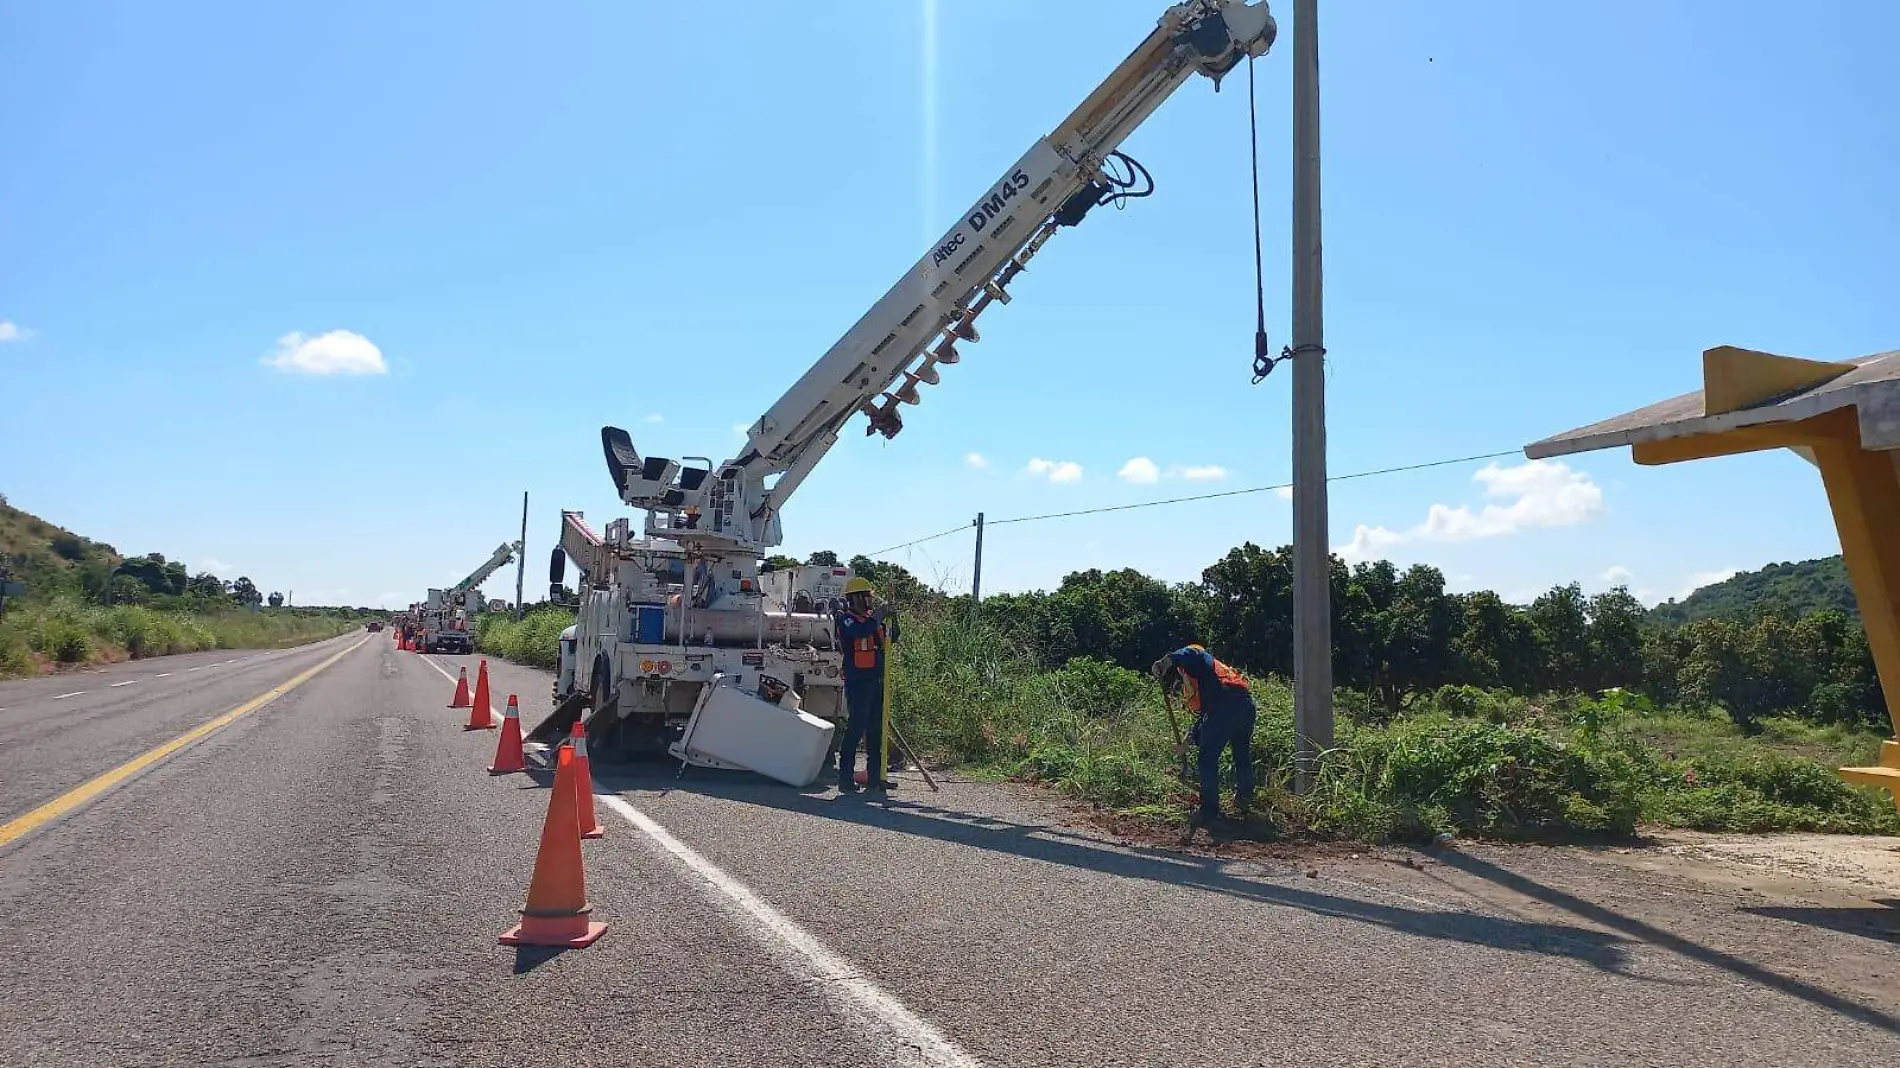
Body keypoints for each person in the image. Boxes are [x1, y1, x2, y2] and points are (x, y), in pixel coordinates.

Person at [1151, 643, 1255, 826]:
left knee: (1207, 758)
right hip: (1245, 706)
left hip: (1226, 708)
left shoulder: (1198, 660)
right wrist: (1186, 743)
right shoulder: (1212, 680)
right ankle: (1245, 799)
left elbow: (1190, 653)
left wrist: (1166, 662)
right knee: (1241, 755)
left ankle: (1209, 811)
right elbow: (1205, 720)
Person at [833, 576, 898, 794]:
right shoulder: (847, 620)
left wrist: (893, 618)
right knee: (855, 729)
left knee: (875, 731)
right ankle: (845, 779)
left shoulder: (873, 621)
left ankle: (875, 778)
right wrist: (879, 615)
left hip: (876, 682)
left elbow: (892, 637)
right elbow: (859, 633)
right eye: (868, 596)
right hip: (858, 683)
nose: (871, 600)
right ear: (857, 598)